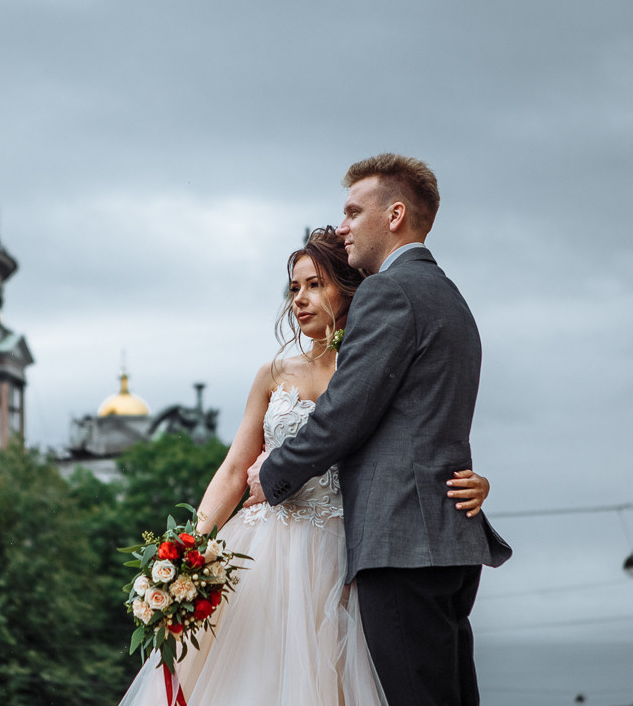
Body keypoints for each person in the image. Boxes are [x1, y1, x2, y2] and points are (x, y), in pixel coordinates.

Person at [117, 224, 490, 706]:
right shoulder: (273, 374)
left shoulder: (369, 370)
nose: (300, 299)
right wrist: (189, 547)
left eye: (316, 284)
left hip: (342, 555)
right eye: (294, 288)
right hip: (262, 552)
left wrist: (472, 481)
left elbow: (415, 440)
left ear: (348, 287)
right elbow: (235, 468)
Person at [247, 153, 512, 706]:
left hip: (401, 543)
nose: (341, 226)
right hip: (447, 539)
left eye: (352, 211)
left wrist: (272, 472)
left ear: (394, 215)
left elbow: (345, 412)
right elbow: (424, 417)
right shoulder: (451, 298)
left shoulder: (389, 292)